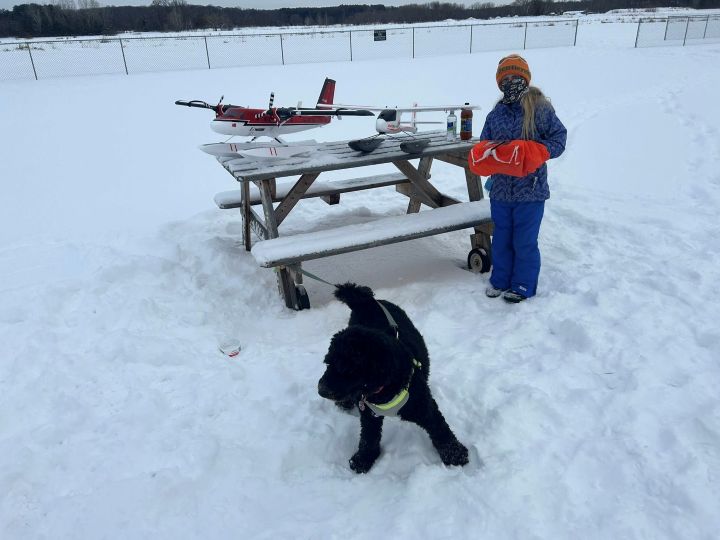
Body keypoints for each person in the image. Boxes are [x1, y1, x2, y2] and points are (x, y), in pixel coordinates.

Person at [478, 54, 567, 303]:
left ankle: (522, 284)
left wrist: (539, 151)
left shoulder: (540, 109)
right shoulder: (496, 114)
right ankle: (500, 280)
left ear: (525, 78)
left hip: (531, 190)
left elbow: (559, 138)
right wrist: (485, 155)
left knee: (524, 241)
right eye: (505, 78)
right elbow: (484, 143)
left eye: (515, 76)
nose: (510, 81)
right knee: (502, 239)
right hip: (500, 190)